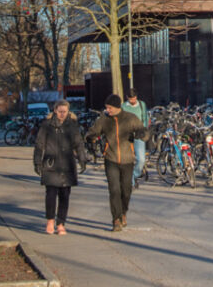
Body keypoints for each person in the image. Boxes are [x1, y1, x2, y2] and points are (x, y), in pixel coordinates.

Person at [88, 94, 145, 232]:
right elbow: (93, 132)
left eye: (110, 107)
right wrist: (91, 137)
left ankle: (123, 212)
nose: (108, 110)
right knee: (114, 190)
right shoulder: (104, 119)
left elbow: (143, 130)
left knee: (126, 190)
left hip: (127, 159)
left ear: (117, 107)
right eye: (107, 107)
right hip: (111, 158)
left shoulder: (130, 118)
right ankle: (116, 219)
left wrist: (141, 135)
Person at [33, 100, 87, 235]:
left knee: (65, 195)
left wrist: (82, 159)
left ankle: (61, 223)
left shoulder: (72, 125)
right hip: (51, 164)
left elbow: (78, 143)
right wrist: (37, 162)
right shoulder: (47, 125)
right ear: (55, 110)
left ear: (68, 111)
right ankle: (50, 220)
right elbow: (39, 144)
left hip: (67, 164)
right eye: (60, 111)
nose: (62, 114)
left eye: (65, 111)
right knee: (51, 194)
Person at [121, 88, 148, 186]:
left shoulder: (142, 105)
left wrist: (144, 129)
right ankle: (130, 182)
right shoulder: (123, 106)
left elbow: (145, 118)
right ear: (127, 97)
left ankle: (134, 175)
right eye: (131, 99)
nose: (133, 100)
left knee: (141, 160)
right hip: (126, 136)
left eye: (135, 98)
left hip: (139, 135)